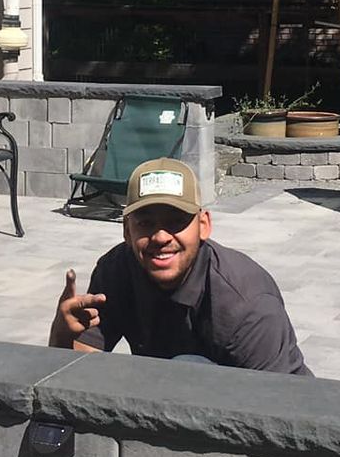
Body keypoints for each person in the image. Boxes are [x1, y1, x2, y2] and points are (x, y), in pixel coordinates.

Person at [49, 157, 311, 375]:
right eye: (145, 223)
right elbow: (81, 376)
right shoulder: (116, 270)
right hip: (170, 394)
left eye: (176, 221)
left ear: (204, 225)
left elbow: (282, 405)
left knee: (185, 368)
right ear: (126, 230)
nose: (161, 237)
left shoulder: (245, 304)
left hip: (265, 404)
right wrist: (61, 334)